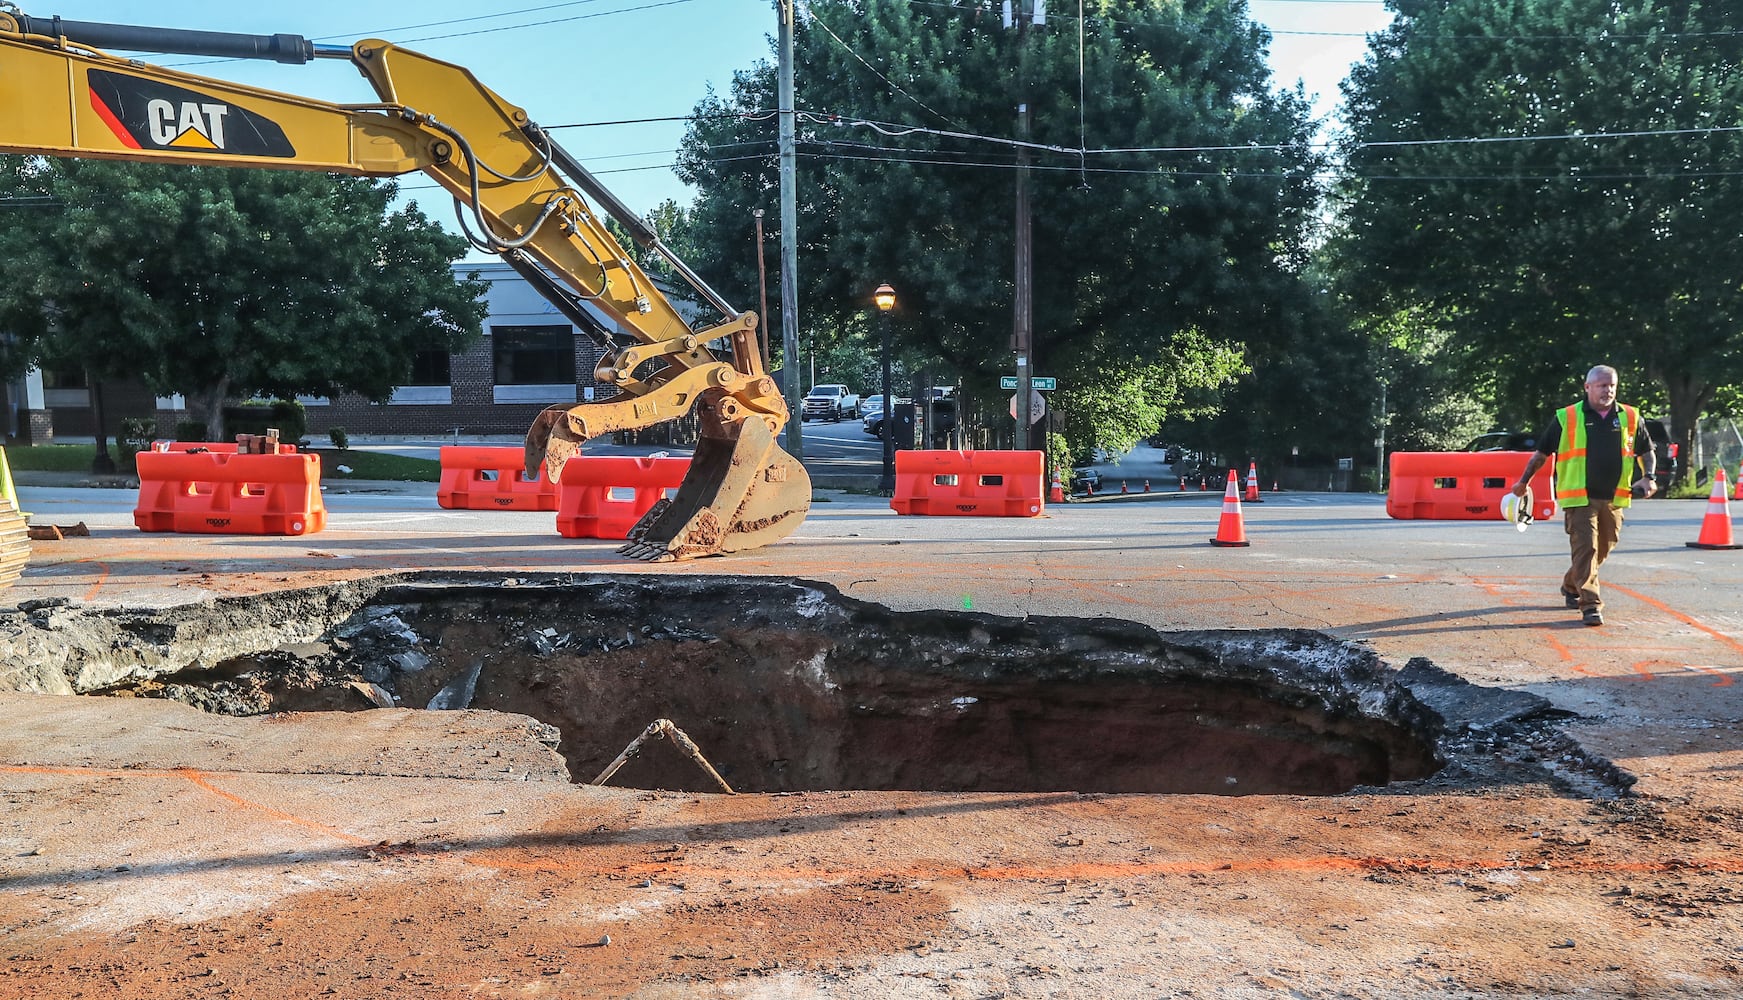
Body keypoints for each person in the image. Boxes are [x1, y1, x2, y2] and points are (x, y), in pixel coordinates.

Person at [1510, 365, 1656, 626]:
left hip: (1614, 498)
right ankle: (1590, 604)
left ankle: (1570, 585)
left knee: (1603, 547)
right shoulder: (1567, 417)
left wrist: (1649, 477)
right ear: (1587, 387)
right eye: (1601, 385)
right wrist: (1523, 482)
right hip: (1579, 499)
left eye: (1612, 385)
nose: (1607, 390)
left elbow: (1646, 450)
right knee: (1586, 548)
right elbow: (1541, 454)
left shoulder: (1631, 416)